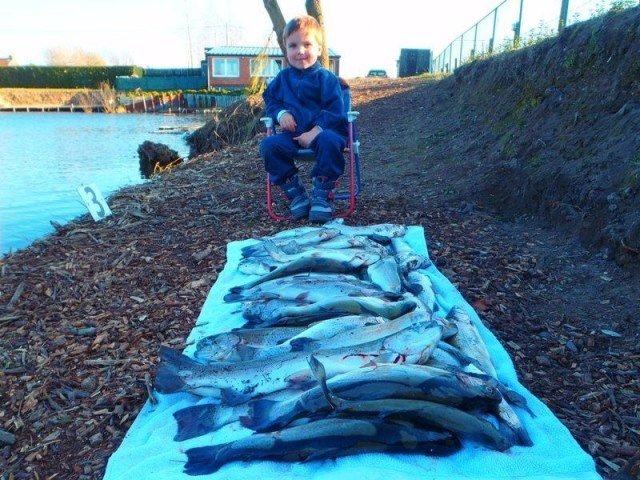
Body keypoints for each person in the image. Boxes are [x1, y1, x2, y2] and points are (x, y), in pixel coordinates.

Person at [260, 15, 348, 223]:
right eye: (293, 45)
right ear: (286, 49)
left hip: (324, 132)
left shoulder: (326, 78)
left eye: (307, 44)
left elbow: (335, 110)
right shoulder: (282, 79)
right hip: (292, 134)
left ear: (319, 48)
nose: (300, 51)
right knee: (269, 146)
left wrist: (315, 131)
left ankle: (321, 195)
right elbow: (270, 99)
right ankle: (295, 193)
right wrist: (281, 114)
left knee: (330, 141)